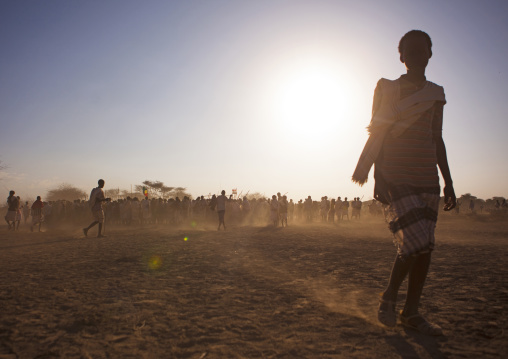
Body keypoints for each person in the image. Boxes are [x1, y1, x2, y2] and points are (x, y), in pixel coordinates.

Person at [352, 30, 456, 336]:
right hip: (396, 177)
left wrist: (448, 181)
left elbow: (437, 138)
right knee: (417, 243)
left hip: (427, 178)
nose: (415, 55)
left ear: (429, 54)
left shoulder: (436, 94)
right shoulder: (386, 87)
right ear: (402, 57)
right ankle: (400, 304)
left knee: (423, 248)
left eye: (421, 50)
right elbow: (378, 133)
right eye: (408, 51)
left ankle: (406, 308)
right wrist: (376, 174)